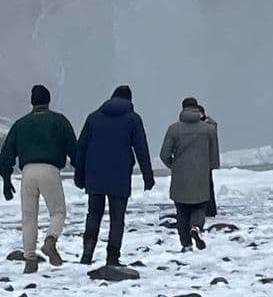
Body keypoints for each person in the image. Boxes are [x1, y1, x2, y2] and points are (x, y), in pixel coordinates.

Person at [0, 83, 78, 274]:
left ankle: (30, 260)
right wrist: (81, 172)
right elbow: (74, 150)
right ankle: (50, 241)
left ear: (31, 102)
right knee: (57, 212)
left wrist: (6, 180)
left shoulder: (20, 124)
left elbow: (6, 155)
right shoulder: (59, 121)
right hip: (50, 169)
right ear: (49, 100)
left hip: (27, 172)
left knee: (29, 217)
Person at [74, 85, 154, 266]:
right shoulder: (133, 120)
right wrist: (147, 177)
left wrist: (79, 176)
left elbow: (82, 148)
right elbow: (141, 149)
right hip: (120, 177)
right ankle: (112, 257)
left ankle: (87, 253)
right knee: (117, 219)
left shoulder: (93, 118)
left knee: (94, 214)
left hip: (94, 177)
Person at [159, 97, 220, 251]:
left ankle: (186, 244)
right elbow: (214, 156)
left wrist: (174, 166)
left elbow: (164, 154)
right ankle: (197, 227)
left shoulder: (174, 129)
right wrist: (209, 168)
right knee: (199, 206)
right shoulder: (208, 129)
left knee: (182, 211)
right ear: (198, 109)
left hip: (180, 176)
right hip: (201, 175)